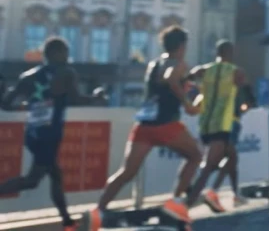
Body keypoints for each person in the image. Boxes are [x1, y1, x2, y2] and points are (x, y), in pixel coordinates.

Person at [84, 27, 202, 231]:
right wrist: (187, 104)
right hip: (166, 124)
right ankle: (175, 204)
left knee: (127, 171)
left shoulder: (154, 63)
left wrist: (189, 78)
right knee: (195, 156)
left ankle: (97, 212)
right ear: (182, 46)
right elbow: (171, 78)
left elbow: (166, 79)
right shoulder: (178, 64)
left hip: (144, 124)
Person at [0, 37, 106, 231]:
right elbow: (76, 99)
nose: (68, 57)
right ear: (56, 53)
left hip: (33, 133)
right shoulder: (66, 72)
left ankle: (67, 221)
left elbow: (6, 103)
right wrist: (96, 98)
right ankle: (68, 222)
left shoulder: (28, 76)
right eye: (65, 53)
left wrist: (23, 107)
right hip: (50, 134)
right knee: (32, 180)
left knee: (56, 175)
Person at [187, 40, 247, 215]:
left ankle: (229, 193)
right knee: (209, 167)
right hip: (222, 123)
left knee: (232, 157)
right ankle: (186, 205)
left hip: (206, 122)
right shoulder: (236, 71)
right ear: (230, 52)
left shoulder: (203, 69)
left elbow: (189, 78)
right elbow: (242, 87)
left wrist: (197, 95)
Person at [208, 83, 255, 208]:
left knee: (232, 160)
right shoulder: (236, 88)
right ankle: (214, 191)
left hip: (222, 124)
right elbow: (246, 105)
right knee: (230, 159)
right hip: (231, 124)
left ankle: (235, 194)